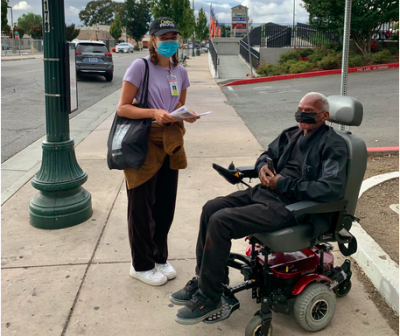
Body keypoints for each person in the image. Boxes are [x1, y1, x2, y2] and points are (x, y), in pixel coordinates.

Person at [170, 92, 349, 325]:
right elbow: (267, 154)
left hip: (292, 207)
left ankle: (209, 297)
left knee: (221, 221)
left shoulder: (333, 145)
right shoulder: (291, 134)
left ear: (324, 115)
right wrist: (263, 166)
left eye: (309, 111)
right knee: (211, 208)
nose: (301, 115)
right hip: (266, 193)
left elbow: (330, 189)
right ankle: (207, 279)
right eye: (299, 109)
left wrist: (282, 183)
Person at [117, 17, 199, 287]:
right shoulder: (140, 67)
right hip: (143, 141)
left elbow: (179, 105)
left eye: (173, 37)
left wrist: (185, 116)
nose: (169, 42)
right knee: (141, 206)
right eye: (163, 38)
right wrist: (153, 112)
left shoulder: (181, 71)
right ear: (152, 40)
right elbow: (123, 107)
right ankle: (141, 265)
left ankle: (159, 256)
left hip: (170, 141)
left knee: (165, 205)